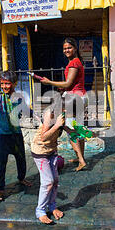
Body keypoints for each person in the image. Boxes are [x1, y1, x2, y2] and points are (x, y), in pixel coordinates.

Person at [0, 70, 32, 202]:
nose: (4, 86)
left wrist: (37, 116)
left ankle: (21, 178)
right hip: (3, 135)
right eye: (2, 83)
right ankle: (1, 188)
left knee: (21, 159)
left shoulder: (19, 97)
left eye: (7, 84)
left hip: (16, 134)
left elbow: (26, 110)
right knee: (2, 163)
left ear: (14, 83)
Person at [40, 38, 88, 171]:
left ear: (75, 48)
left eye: (69, 48)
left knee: (69, 128)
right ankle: (80, 157)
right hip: (79, 96)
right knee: (78, 129)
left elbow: (67, 83)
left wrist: (49, 82)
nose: (66, 50)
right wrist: (64, 88)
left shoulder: (74, 63)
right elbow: (71, 84)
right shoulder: (77, 62)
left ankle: (82, 160)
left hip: (73, 98)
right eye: (64, 48)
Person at [30, 97, 66, 224]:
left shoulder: (63, 115)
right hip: (40, 152)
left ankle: (52, 207)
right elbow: (44, 137)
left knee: (55, 180)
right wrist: (56, 125)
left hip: (51, 150)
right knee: (48, 182)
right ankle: (40, 211)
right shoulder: (49, 114)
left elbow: (65, 128)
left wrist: (77, 132)